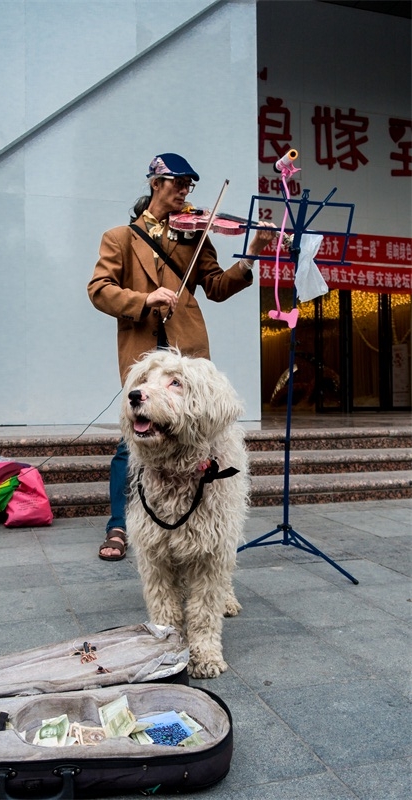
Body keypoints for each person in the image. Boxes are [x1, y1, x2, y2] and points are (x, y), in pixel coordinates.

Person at [88, 152, 275, 560]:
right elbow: (99, 289)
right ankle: (120, 525)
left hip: (187, 355)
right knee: (132, 442)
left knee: (198, 440)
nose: (185, 192)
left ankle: (195, 526)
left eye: (190, 185)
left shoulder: (193, 234)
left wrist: (251, 256)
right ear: (156, 183)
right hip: (143, 356)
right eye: (178, 183)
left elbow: (217, 285)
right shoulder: (120, 237)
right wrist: (143, 298)